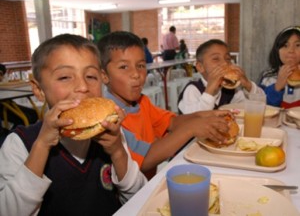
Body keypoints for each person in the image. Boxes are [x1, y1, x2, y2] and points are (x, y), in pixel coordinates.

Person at [0, 34, 147, 216]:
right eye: (64, 77)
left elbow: (141, 197)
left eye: (91, 76)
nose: (83, 86)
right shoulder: (20, 144)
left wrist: (117, 152)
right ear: (38, 89)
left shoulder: (110, 132)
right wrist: (42, 146)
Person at [97, 31, 232, 179]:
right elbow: (144, 161)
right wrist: (191, 128)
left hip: (148, 182)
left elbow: (171, 122)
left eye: (141, 65)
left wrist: (205, 115)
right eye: (124, 67)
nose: (136, 74)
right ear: (104, 75)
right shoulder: (108, 117)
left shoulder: (142, 102)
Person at [178, 39, 264, 114]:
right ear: (200, 67)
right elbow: (194, 119)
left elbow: (259, 105)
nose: (224, 63)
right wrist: (210, 91)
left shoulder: (230, 90)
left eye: (227, 59)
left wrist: (248, 84)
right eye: (216, 59)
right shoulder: (193, 90)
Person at [259, 26, 300, 108]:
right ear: (277, 50)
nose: (291, 50)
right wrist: (277, 86)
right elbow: (262, 106)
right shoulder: (268, 77)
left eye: (298, 45)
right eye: (285, 45)